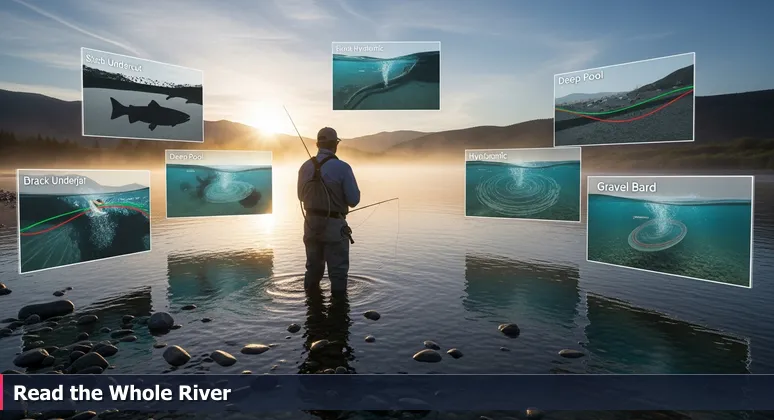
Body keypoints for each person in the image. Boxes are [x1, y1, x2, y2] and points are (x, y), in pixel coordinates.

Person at [298, 127, 360, 292]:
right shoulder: (342, 167)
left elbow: (300, 197)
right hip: (334, 225)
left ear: (318, 144)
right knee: (338, 272)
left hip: (310, 224)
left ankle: (311, 310)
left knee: (313, 269)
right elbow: (354, 200)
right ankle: (339, 311)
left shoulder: (305, 167)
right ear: (335, 144)